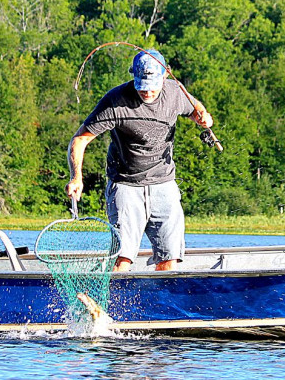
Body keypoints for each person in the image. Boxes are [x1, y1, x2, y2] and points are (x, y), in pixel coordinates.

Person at [65, 49, 213, 271]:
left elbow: (195, 108)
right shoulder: (115, 101)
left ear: (165, 76)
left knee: (169, 257)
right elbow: (79, 140)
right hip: (125, 185)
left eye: (153, 85)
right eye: (141, 84)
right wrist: (76, 177)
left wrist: (203, 117)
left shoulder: (175, 91)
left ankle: (162, 303)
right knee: (122, 258)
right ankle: (111, 304)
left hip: (164, 183)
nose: (147, 91)